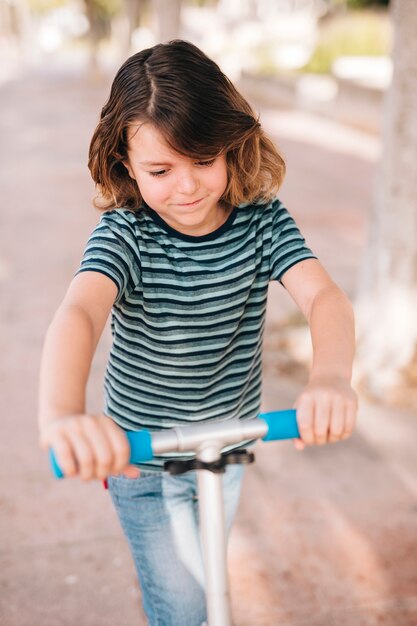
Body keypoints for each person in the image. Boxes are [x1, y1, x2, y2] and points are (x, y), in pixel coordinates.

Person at [38, 39, 358, 626]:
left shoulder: (261, 220)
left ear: (232, 147)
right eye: (161, 170)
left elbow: (324, 298)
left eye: (204, 160)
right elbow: (79, 313)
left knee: (211, 580)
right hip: (142, 459)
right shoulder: (127, 235)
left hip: (227, 445)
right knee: (184, 605)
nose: (186, 187)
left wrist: (331, 378)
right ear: (125, 165)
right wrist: (62, 413)